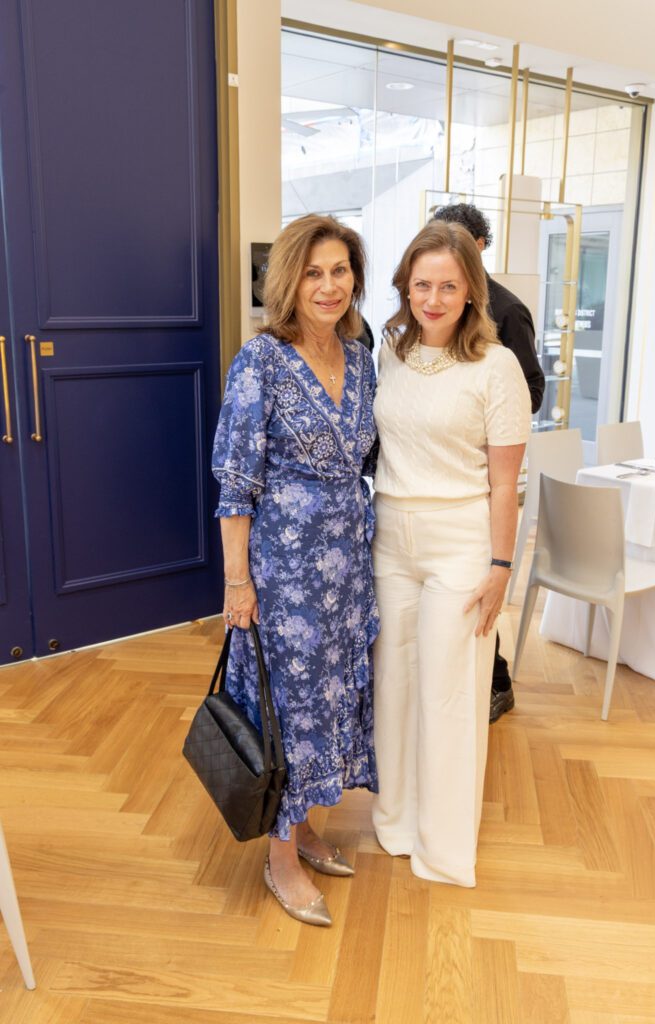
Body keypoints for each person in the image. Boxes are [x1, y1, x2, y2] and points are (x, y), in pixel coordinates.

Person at [212, 214, 379, 927]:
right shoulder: (261, 361)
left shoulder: (361, 358)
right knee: (287, 710)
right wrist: (237, 582)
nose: (328, 285)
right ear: (289, 281)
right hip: (283, 575)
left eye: (339, 270)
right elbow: (235, 483)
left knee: (328, 702)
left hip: (347, 573)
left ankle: (304, 826)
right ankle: (279, 859)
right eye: (313, 272)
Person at [371, 220, 530, 886]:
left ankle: (443, 847)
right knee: (394, 686)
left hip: (461, 542)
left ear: (471, 291)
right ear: (405, 287)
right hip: (390, 536)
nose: (432, 300)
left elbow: (505, 485)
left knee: (449, 694)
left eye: (447, 286)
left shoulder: (496, 367)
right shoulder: (390, 352)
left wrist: (501, 568)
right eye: (421, 285)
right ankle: (396, 821)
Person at [433, 202, 545, 723]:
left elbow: (532, 389)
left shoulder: (507, 310)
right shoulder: (430, 309)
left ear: (479, 246)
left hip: (481, 477)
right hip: (437, 478)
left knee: (480, 590)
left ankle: (498, 683)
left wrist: (487, 419)